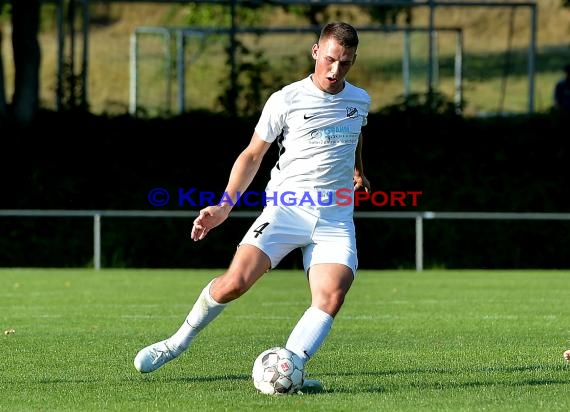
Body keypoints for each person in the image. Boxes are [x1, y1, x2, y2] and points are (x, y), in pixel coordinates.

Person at [133, 21, 371, 392]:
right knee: (234, 283)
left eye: (346, 62)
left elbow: (353, 137)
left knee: (331, 296)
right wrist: (223, 206)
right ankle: (175, 343)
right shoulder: (286, 99)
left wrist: (358, 170)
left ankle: (291, 366)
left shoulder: (360, 99)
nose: (335, 70)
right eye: (330, 59)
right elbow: (252, 155)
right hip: (286, 210)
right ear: (315, 52)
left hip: (335, 217)